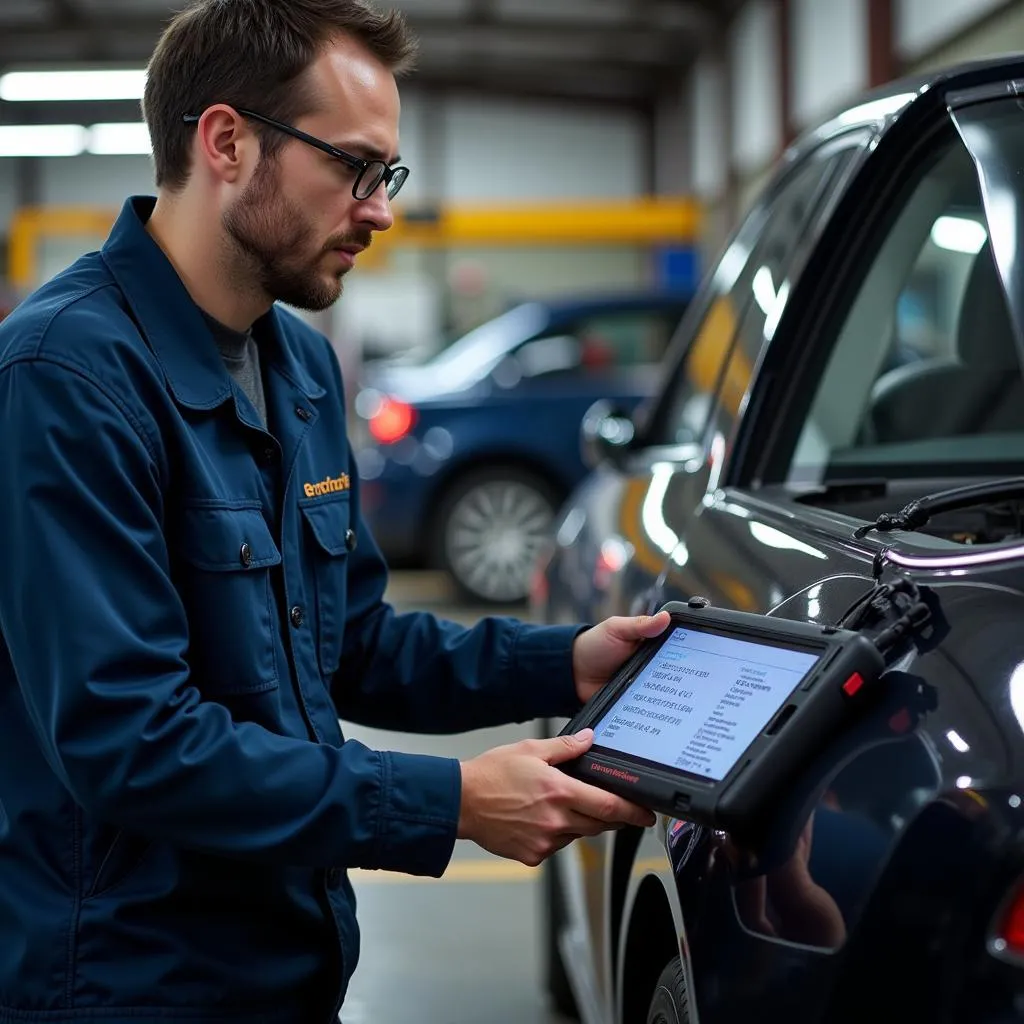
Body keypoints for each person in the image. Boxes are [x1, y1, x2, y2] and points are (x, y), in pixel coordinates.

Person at [0, 1, 669, 1022]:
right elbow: (128, 739)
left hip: (290, 963)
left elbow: (347, 641)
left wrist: (563, 662)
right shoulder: (65, 377)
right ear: (225, 142)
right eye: (354, 168)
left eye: (385, 174)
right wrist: (446, 803)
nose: (380, 209)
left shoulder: (299, 363)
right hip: (130, 984)